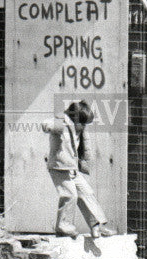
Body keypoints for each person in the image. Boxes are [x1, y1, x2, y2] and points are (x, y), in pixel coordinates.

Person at [41, 100, 116, 239]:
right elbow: (46, 125)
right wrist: (55, 124)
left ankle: (96, 226)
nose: (83, 127)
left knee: (87, 193)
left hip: (72, 168)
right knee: (70, 195)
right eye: (82, 123)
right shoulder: (62, 124)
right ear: (75, 119)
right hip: (59, 167)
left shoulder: (80, 129)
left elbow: (83, 149)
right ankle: (63, 226)